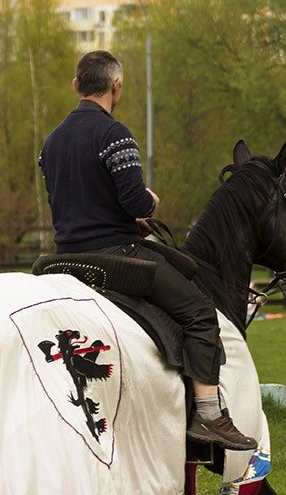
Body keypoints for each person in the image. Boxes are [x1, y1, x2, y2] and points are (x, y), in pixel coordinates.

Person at [37, 50, 256, 451]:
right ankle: (208, 414)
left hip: (63, 256)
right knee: (199, 311)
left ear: (76, 86)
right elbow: (136, 202)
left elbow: (74, 200)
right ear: (116, 86)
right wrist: (149, 204)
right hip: (115, 256)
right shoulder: (115, 136)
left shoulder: (50, 143)